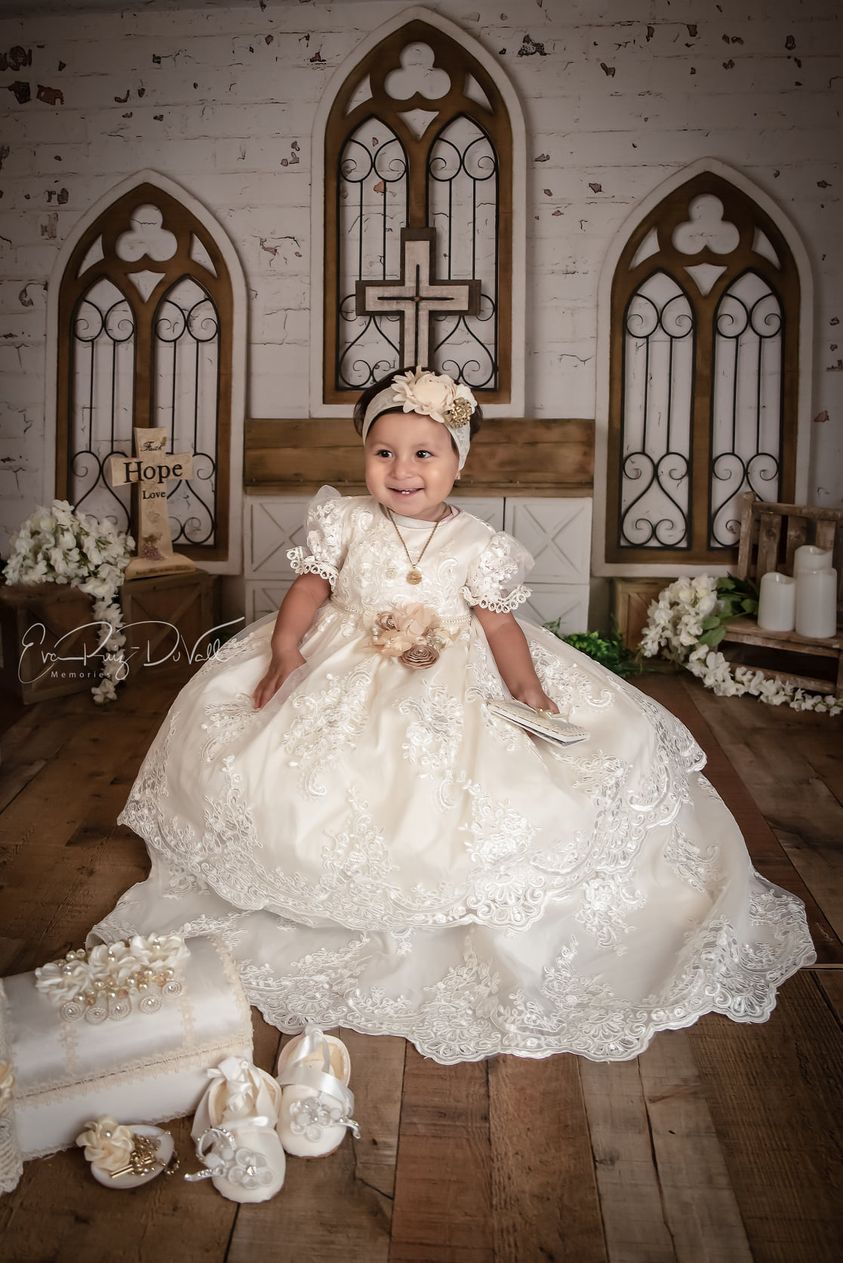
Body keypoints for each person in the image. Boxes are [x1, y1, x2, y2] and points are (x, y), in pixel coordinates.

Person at [91, 366, 815, 1064]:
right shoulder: (344, 520)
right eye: (383, 453)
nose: (401, 469)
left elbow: (499, 627)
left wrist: (526, 689)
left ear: (456, 464)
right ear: (363, 457)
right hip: (341, 656)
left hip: (448, 670)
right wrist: (285, 645)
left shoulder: (478, 544)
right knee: (281, 768)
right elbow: (311, 589)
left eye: (422, 454)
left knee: (480, 779)